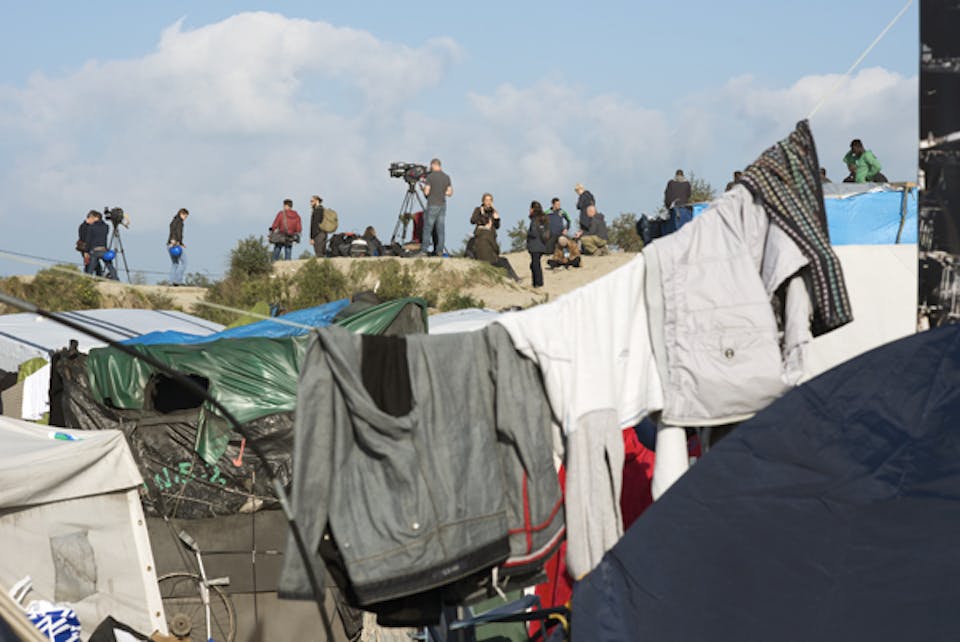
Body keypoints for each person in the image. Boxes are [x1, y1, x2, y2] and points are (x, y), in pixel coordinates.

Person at [474, 214, 521, 281]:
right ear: (488, 222)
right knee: (504, 261)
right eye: (490, 221)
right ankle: (514, 279)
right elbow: (496, 248)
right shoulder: (487, 233)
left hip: (480, 259)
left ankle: (512, 278)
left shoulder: (477, 234)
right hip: (490, 260)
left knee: (502, 261)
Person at [421, 158, 453, 255]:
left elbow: (427, 192)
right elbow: (449, 192)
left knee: (428, 228)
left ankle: (424, 250)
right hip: (442, 204)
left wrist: (423, 189)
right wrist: (441, 192)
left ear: (433, 165)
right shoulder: (446, 177)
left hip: (432, 204)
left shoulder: (430, 177)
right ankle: (439, 251)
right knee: (440, 229)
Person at [83, 210, 117, 280]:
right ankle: (115, 279)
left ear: (95, 217)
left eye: (91, 217)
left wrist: (86, 251)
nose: (90, 219)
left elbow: (88, 240)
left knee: (90, 269)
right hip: (104, 250)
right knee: (110, 266)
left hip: (94, 251)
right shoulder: (106, 226)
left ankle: (87, 280)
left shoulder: (91, 227)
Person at [526, 201, 550, 288]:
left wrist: (527, 234)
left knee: (535, 265)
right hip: (542, 244)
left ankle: (538, 283)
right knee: (535, 264)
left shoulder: (534, 219)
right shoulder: (544, 219)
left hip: (535, 245)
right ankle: (537, 283)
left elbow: (534, 233)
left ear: (533, 209)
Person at [663, 169, 692, 234]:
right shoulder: (687, 184)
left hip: (673, 210)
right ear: (683, 176)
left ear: (676, 176)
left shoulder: (671, 183)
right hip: (685, 210)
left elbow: (667, 196)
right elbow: (688, 195)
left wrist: (667, 206)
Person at [167, 208, 189, 285]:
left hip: (169, 245)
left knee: (175, 264)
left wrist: (181, 243)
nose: (185, 218)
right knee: (184, 263)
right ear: (181, 214)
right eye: (185, 216)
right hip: (175, 244)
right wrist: (176, 241)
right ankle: (177, 280)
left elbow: (173, 231)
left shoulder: (173, 221)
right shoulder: (179, 222)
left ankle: (171, 281)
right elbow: (176, 232)